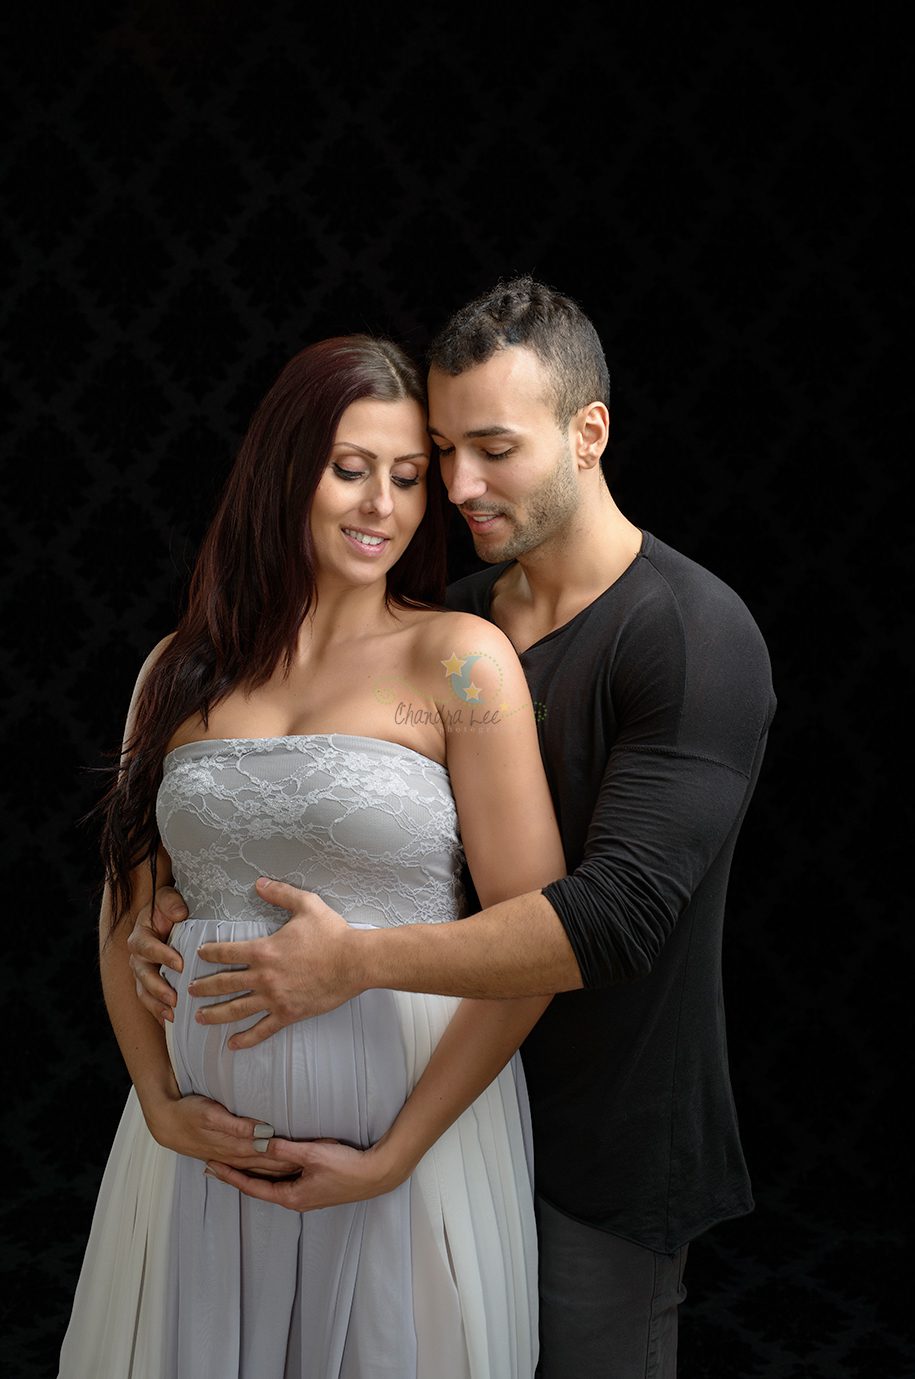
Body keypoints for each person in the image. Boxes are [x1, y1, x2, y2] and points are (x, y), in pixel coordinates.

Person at [130, 278, 777, 1379]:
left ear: (588, 433)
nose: (457, 487)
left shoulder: (691, 634)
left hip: (600, 1134)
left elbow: (614, 916)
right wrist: (184, 898)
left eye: (494, 449)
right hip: (430, 1099)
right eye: (444, 453)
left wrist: (350, 964)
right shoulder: (456, 620)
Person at [59, 333, 568, 1378]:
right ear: (285, 469)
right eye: (350, 468)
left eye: (408, 477)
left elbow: (534, 940)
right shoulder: (176, 672)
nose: (382, 504)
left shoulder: (458, 662)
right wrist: (157, 1100)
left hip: (404, 1156)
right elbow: (125, 914)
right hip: (197, 1159)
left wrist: (395, 1156)